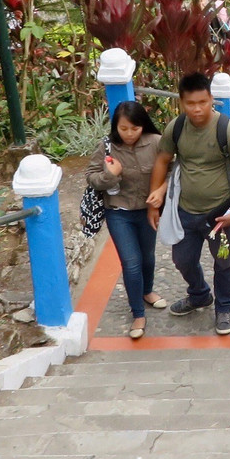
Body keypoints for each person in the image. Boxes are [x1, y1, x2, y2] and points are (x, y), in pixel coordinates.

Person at [146, 73, 230, 336]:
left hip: (220, 214)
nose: (197, 109)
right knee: (182, 259)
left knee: (224, 262)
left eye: (202, 102)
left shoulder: (226, 129)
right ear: (181, 102)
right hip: (185, 210)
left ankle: (224, 308)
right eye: (190, 103)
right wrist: (153, 201)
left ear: (211, 99)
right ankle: (199, 294)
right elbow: (162, 160)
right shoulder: (177, 127)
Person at [85, 101, 168, 340]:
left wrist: (161, 191)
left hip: (148, 211)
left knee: (147, 258)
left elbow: (172, 171)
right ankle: (138, 313)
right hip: (118, 212)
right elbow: (91, 177)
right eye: (124, 129)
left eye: (135, 128)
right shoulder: (106, 147)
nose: (130, 134)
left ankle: (147, 291)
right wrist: (110, 176)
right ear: (116, 127)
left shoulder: (156, 142)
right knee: (131, 263)